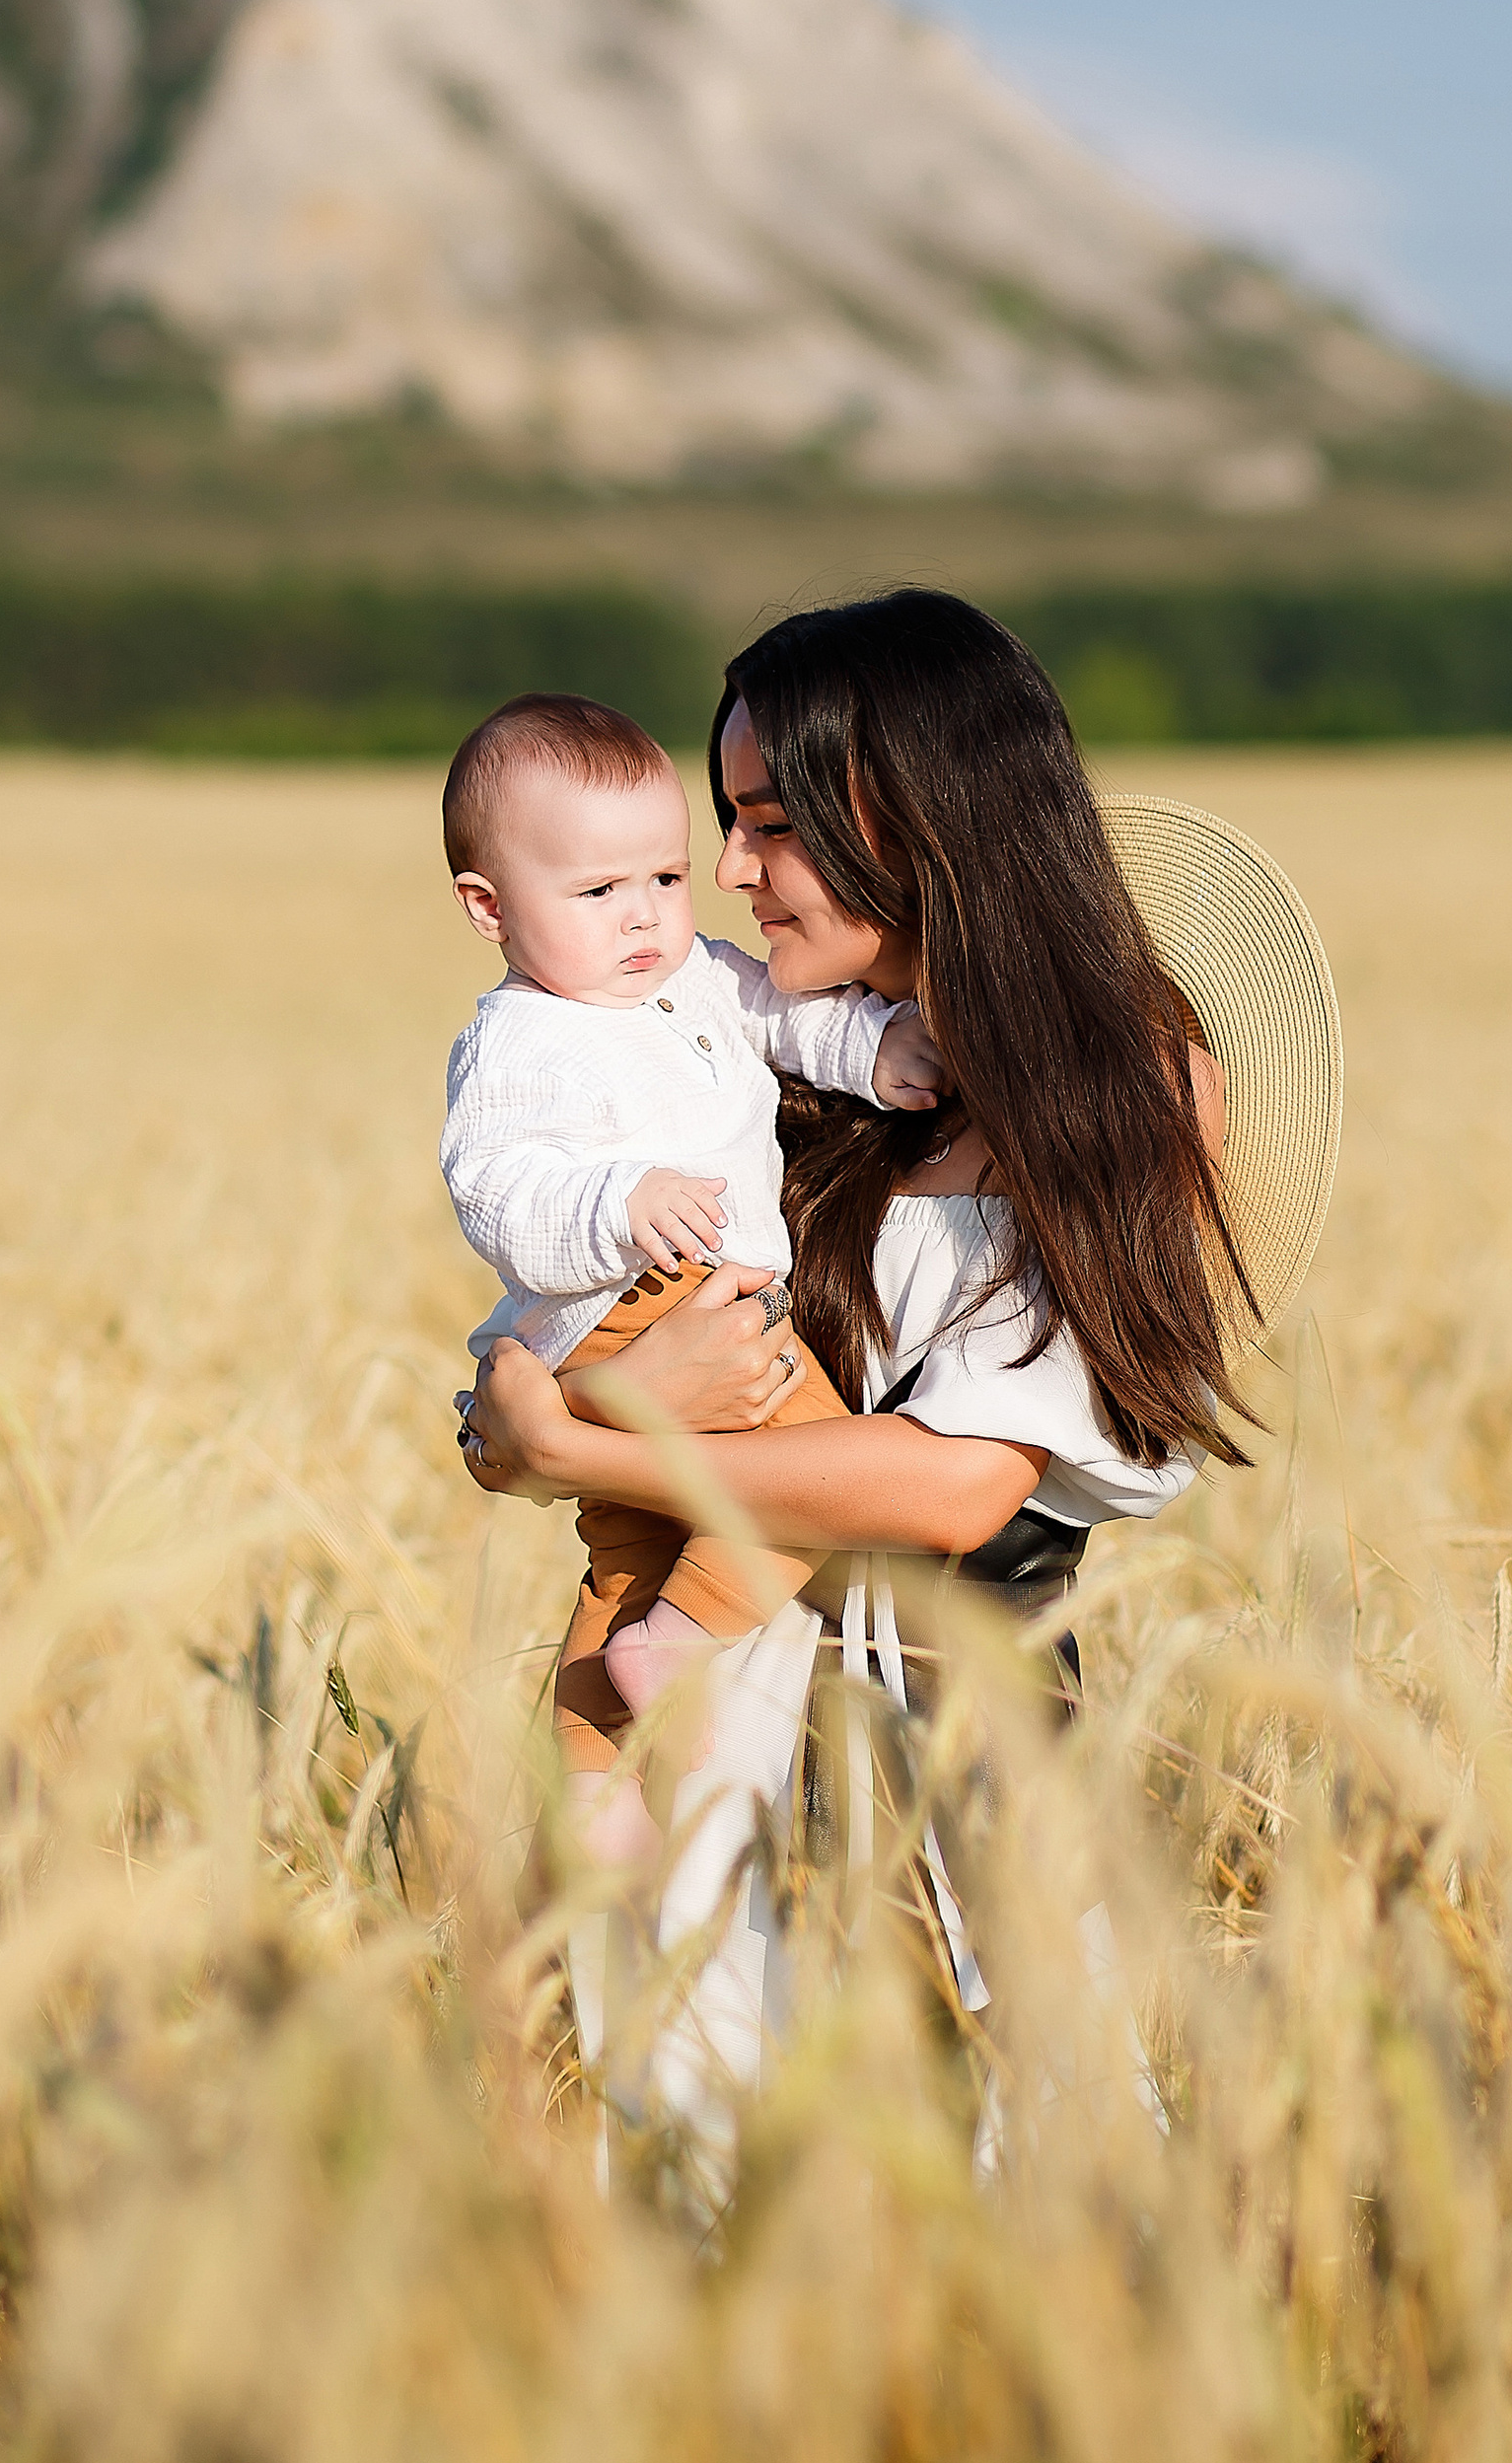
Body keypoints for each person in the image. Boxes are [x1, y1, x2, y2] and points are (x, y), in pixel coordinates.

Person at [463, 592, 1246, 1697]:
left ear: (925, 820)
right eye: (729, 824)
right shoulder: (763, 1068)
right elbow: (534, 1400)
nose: (730, 870)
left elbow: (961, 1485)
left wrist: (577, 1449)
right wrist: (593, 1402)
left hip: (953, 1769)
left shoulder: (1137, 1097)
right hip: (700, 1735)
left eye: (772, 825)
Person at [439, 689, 945, 1854]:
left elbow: (784, 1018)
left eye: (663, 880)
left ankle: (588, 1784)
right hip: (650, 1309)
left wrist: (876, 1048)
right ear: (488, 908)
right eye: (597, 892)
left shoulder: (697, 980)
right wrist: (617, 1207)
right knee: (807, 1477)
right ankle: (678, 1642)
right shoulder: (519, 1038)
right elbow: (495, 1192)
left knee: (622, 1556)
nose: (645, 918)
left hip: (682, 1314)